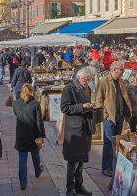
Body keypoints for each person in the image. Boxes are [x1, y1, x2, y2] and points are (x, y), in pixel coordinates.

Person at [61, 67, 94, 196]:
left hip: (85, 129)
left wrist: (91, 107)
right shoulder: (68, 89)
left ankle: (79, 186)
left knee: (81, 161)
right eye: (86, 80)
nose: (87, 82)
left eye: (89, 80)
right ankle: (70, 189)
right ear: (79, 78)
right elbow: (65, 107)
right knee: (73, 161)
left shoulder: (88, 89)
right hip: (74, 131)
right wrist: (82, 106)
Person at [96, 61, 132, 177]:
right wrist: (106, 115)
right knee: (108, 143)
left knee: (116, 142)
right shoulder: (104, 81)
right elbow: (98, 100)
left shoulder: (121, 81)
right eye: (121, 69)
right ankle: (106, 167)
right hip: (110, 117)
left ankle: (114, 166)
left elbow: (124, 97)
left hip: (119, 116)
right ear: (114, 70)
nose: (123, 71)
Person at [13, 83, 46, 190]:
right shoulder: (35, 104)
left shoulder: (16, 103)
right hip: (33, 135)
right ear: (32, 91)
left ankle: (23, 183)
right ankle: (38, 171)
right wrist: (42, 135)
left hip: (21, 134)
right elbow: (39, 122)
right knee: (35, 155)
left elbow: (16, 114)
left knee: (22, 159)